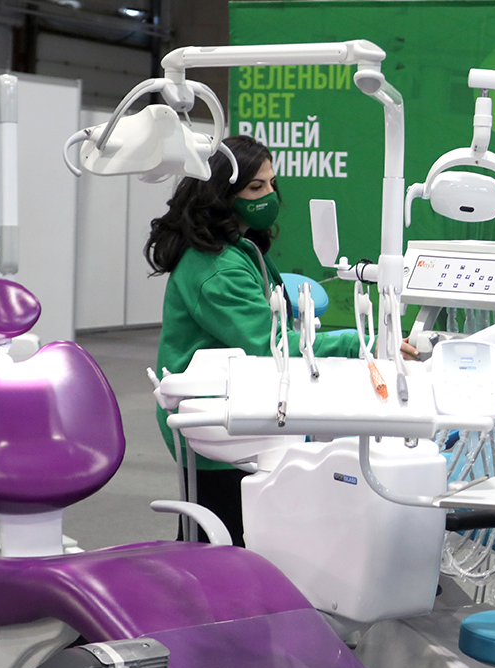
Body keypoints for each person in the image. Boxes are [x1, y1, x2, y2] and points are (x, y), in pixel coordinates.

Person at [148, 135, 371, 547]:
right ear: (221, 194)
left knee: (226, 535)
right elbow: (269, 343)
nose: (269, 195)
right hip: (213, 420)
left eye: (271, 183)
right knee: (220, 539)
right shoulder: (217, 269)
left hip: (230, 403)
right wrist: (354, 344)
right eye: (256, 187)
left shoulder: (238, 248)